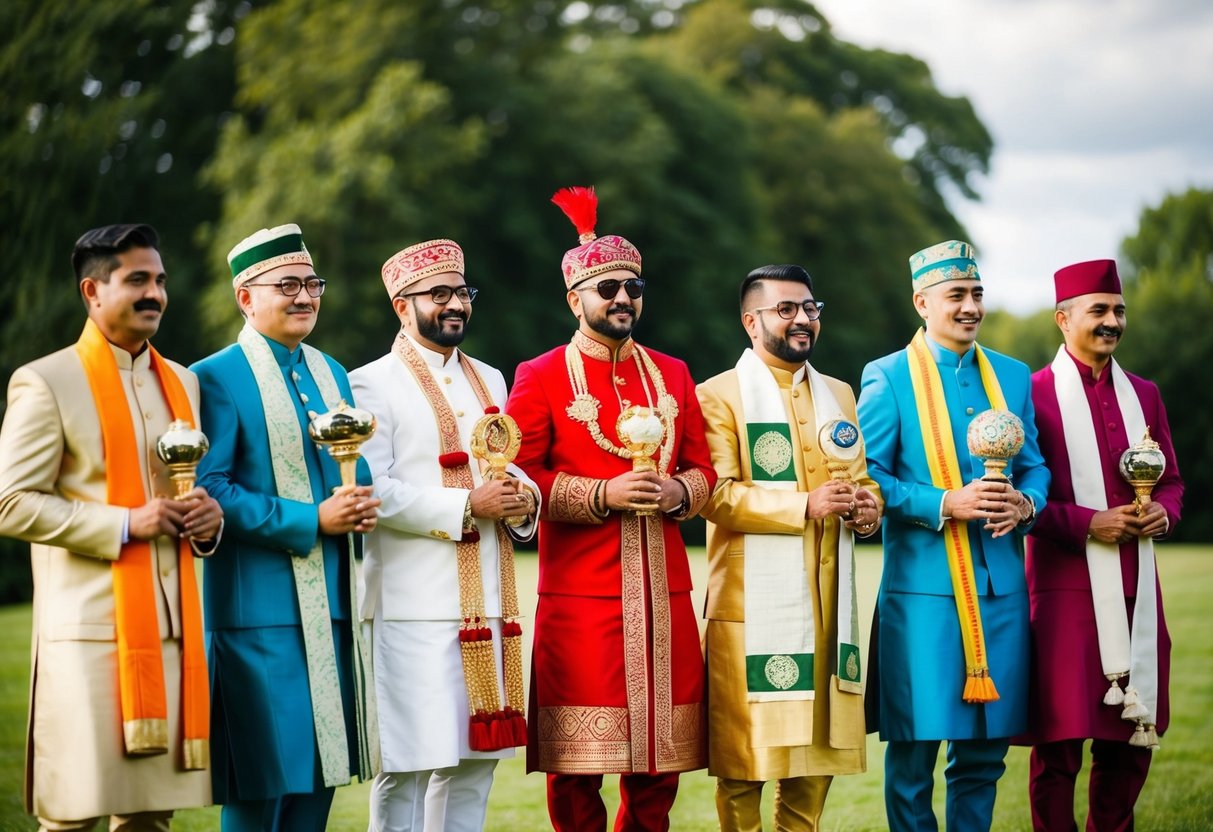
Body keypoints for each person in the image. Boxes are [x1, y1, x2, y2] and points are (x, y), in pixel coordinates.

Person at [505, 186, 717, 831]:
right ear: (575, 300)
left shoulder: (674, 373)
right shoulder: (540, 375)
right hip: (582, 600)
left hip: (665, 598)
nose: (623, 298)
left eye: (633, 286)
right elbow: (519, 476)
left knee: (659, 767)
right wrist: (602, 493)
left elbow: (705, 468)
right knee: (578, 768)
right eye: (607, 288)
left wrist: (684, 493)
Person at [0, 224, 222, 830]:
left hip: (174, 634)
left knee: (150, 820)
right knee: (74, 816)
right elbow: (11, 503)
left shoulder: (184, 381)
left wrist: (206, 520)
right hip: (89, 637)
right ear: (92, 291)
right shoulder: (46, 381)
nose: (155, 293)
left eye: (160, 280)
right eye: (137, 280)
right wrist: (124, 523)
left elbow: (180, 494)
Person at [192, 223, 381, 831]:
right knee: (260, 783)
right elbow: (209, 489)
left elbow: (352, 464)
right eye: (288, 285)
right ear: (246, 297)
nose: (305, 297)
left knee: (319, 780)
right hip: (258, 617)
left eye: (312, 284)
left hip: (335, 608)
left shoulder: (330, 372)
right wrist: (312, 519)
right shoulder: (213, 376)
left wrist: (361, 498)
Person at [856, 240, 1050, 832]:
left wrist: (1026, 502)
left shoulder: (1013, 376)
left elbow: (1037, 465)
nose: (970, 307)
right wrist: (946, 501)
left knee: (985, 753)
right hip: (922, 595)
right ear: (922, 301)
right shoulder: (887, 376)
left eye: (977, 294)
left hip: (1002, 591)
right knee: (915, 750)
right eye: (956, 295)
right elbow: (869, 476)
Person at [349, 239, 539, 832]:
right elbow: (371, 489)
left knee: (472, 765)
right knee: (407, 765)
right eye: (440, 295)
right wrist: (465, 503)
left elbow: (503, 462)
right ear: (403, 307)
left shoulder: (489, 377)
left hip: (490, 602)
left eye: (462, 293)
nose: (456, 304)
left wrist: (522, 497)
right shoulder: (368, 384)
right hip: (414, 607)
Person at [696, 264, 883, 831]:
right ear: (752, 322)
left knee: (812, 765)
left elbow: (861, 480)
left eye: (810, 308)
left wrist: (870, 507)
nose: (803, 319)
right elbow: (717, 497)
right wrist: (806, 506)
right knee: (744, 764)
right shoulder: (718, 396)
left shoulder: (839, 394)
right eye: (787, 309)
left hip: (828, 608)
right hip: (752, 613)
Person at [1020, 259, 1183, 831]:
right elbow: (1022, 500)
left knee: (1129, 743)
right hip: (1065, 591)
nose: (1112, 321)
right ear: (1063, 319)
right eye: (1099, 310)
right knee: (1060, 745)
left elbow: (1171, 479)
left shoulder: (1145, 394)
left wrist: (1165, 510)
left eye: (1118, 310)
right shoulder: (1032, 394)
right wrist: (1088, 523)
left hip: (1139, 587)